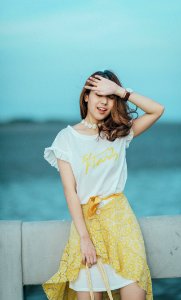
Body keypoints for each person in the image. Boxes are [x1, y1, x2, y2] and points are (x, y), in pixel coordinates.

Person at [42, 69, 164, 300]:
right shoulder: (66, 139)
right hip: (86, 228)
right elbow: (70, 192)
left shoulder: (119, 133)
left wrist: (120, 91)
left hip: (121, 225)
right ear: (86, 96)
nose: (104, 102)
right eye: (98, 94)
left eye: (110, 97)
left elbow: (157, 110)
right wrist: (85, 239)